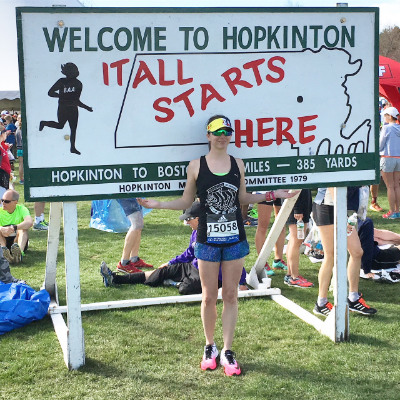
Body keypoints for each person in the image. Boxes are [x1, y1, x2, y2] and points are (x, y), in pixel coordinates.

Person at [137, 115, 297, 376]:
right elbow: (187, 200)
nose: (223, 135)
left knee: (231, 295)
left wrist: (272, 195)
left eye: (227, 131)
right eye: (217, 131)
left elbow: (243, 196)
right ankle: (210, 345)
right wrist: (159, 204)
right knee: (209, 295)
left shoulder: (238, 164)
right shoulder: (196, 166)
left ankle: (228, 349)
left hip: (234, 239)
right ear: (208, 135)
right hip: (207, 240)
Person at [100, 201, 248, 294]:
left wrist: (241, 282)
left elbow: (235, 258)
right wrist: (170, 263)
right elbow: (189, 253)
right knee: (159, 272)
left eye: (188, 220)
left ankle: (173, 282)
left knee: (186, 288)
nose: (187, 223)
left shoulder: (218, 235)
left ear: (198, 218)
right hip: (191, 267)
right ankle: (115, 278)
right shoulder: (196, 232)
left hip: (212, 277)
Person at [312, 187, 377, 317]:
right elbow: (332, 185)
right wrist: (341, 215)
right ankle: (321, 302)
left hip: (342, 207)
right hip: (326, 206)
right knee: (330, 255)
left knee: (357, 252)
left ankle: (353, 298)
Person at [39, 62, 93, 155]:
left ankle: (73, 147)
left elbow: (76, 100)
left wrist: (86, 107)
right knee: (60, 126)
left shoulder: (78, 83)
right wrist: (61, 95)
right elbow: (50, 92)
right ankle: (44, 123)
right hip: (63, 108)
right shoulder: (61, 81)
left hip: (73, 109)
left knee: (73, 129)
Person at [284, 189, 314, 288]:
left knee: (294, 240)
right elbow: (294, 186)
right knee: (296, 241)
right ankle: (294, 277)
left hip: (301, 206)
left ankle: (290, 274)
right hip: (297, 207)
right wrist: (297, 209)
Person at [115, 198, 153, 273]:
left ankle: (134, 259)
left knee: (139, 224)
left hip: (131, 191)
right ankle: (124, 263)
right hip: (125, 192)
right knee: (137, 224)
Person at [255, 197, 287, 276]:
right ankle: (262, 264)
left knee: (281, 223)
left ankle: (278, 260)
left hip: (280, 186)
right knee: (263, 225)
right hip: (264, 187)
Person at [0, 189, 33, 263]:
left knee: (23, 229)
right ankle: (4, 251)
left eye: (7, 201)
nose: (3, 203)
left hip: (17, 240)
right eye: (2, 200)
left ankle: (19, 253)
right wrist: (1, 228)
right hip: (4, 239)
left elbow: (29, 222)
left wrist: (14, 227)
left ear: (15, 202)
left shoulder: (21, 209)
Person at [379, 106, 400, 219]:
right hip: (398, 158)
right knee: (397, 185)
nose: (384, 118)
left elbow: (380, 144)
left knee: (390, 187)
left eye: (385, 116)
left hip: (387, 157)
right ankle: (397, 210)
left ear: (389, 116)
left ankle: (392, 212)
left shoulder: (386, 128)